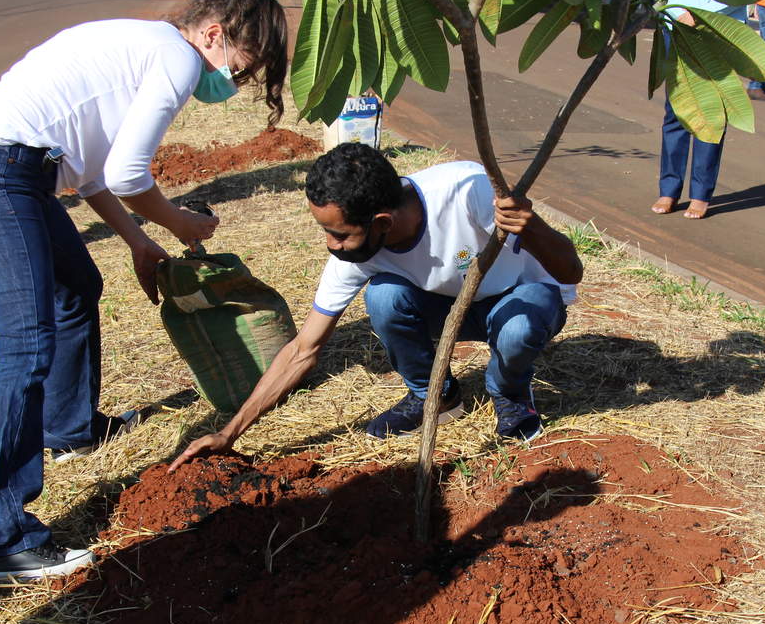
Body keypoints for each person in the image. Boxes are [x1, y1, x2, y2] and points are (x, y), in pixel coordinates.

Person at [0, 0, 289, 580]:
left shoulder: (141, 48)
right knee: (25, 345)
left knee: (77, 286)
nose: (235, 81)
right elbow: (129, 173)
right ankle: (3, 538)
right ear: (213, 35)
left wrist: (140, 240)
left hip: (12, 170)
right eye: (242, 66)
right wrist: (181, 222)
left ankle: (71, 427)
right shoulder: (174, 57)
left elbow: (95, 175)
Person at [169, 143, 584, 469]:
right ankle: (434, 397)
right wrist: (229, 433)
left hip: (518, 297)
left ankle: (510, 393)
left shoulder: (466, 191)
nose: (332, 245)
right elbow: (303, 349)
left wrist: (533, 226)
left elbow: (570, 271)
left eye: (340, 234)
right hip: (448, 303)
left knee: (518, 328)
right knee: (383, 296)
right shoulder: (357, 252)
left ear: (382, 222)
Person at [652, 0, 748, 220]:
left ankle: (701, 194)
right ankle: (669, 189)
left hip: (716, 30)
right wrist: (674, 13)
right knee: (676, 110)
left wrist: (698, 16)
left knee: (711, 114)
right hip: (675, 26)